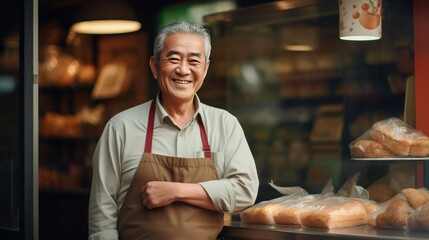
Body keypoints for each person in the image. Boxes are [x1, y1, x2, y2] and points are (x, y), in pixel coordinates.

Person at [88, 21, 259, 240]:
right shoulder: (121, 127)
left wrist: (175, 191)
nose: (184, 70)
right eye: (174, 58)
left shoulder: (225, 124)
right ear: (154, 66)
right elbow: (102, 213)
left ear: (205, 68)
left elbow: (244, 191)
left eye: (194, 61)